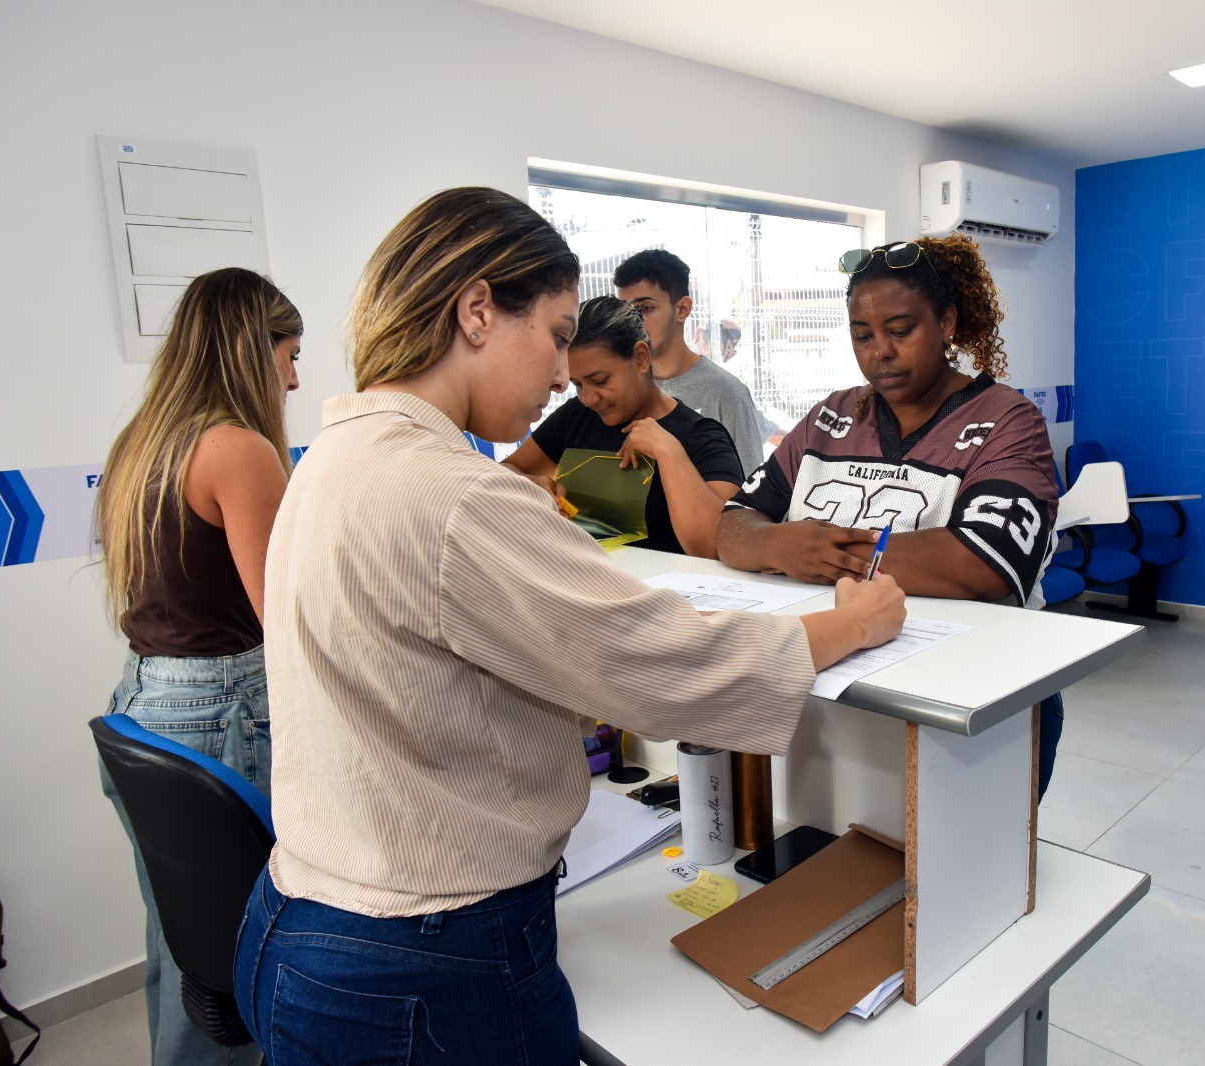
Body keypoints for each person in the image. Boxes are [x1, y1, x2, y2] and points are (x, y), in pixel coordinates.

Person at [233, 187, 905, 1065]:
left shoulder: (334, 457)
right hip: (425, 963)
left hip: (298, 922)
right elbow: (664, 665)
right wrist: (849, 625)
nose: (561, 377)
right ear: (477, 310)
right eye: (554, 336)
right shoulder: (457, 495)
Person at [716, 234, 1069, 796]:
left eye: (901, 331)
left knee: (965, 848)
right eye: (862, 335)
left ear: (947, 323)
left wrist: (825, 553)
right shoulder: (829, 418)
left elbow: (982, 564)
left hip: (973, 698)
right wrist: (781, 544)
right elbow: (733, 524)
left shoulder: (1007, 420)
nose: (879, 351)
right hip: (843, 689)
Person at [93, 266, 301, 1066]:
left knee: (181, 944)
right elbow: (285, 619)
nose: (293, 378)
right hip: (221, 713)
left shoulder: (143, 441)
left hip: (143, 704)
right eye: (288, 354)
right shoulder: (238, 449)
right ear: (250, 349)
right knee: (235, 964)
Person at [504, 295, 741, 557]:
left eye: (600, 380)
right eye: (578, 385)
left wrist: (669, 453)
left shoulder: (701, 438)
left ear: (640, 357)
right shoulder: (577, 416)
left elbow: (719, 546)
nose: (589, 399)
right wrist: (532, 484)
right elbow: (504, 472)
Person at [614, 249, 767, 475]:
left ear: (682, 309)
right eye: (624, 311)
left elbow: (751, 487)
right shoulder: (620, 388)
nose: (632, 321)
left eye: (645, 308)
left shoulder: (726, 394)